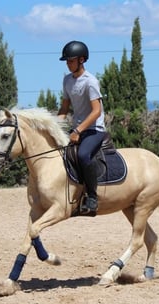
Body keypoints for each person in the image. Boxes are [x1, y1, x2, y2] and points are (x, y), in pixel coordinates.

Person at [57, 40, 106, 214]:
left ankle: (92, 197)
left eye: (71, 61)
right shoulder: (67, 80)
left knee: (84, 155)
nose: (68, 64)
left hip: (94, 129)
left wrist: (78, 130)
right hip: (77, 129)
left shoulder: (90, 82)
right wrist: (56, 127)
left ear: (82, 60)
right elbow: (64, 108)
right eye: (67, 61)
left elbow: (96, 111)